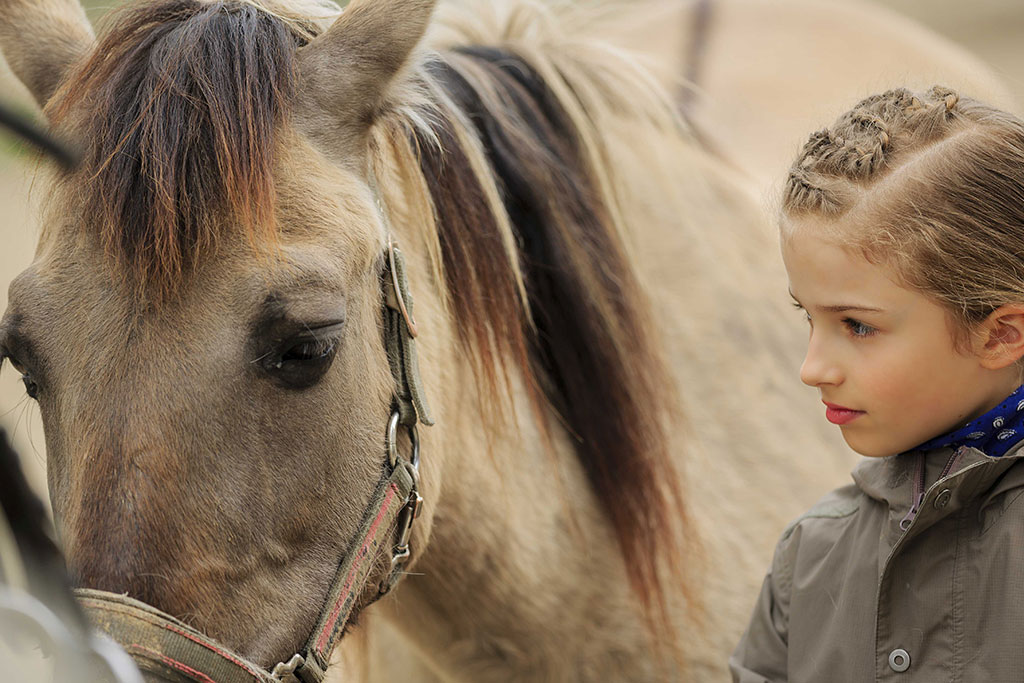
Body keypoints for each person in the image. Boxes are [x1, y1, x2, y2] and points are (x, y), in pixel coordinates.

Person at [730, 86, 1024, 682]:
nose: (812, 369)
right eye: (808, 317)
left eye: (857, 325)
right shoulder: (810, 556)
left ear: (999, 335)